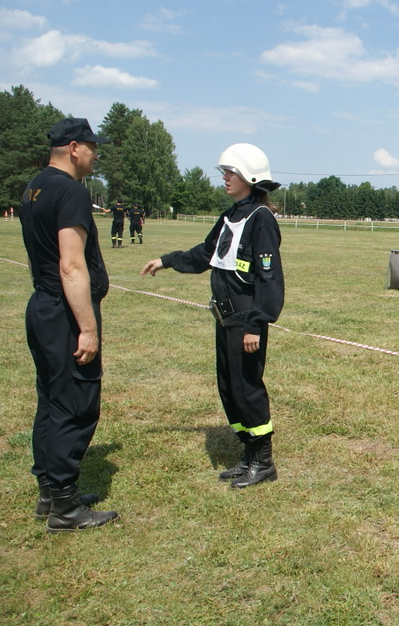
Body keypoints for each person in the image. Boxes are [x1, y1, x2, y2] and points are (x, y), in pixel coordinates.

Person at [141, 143, 284, 489]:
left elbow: (269, 279)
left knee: (247, 388)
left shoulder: (260, 219)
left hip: (246, 321)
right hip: (225, 319)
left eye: (231, 172)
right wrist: (167, 260)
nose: (225, 178)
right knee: (229, 388)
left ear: (250, 177)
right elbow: (205, 253)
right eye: (225, 172)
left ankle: (263, 461)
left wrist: (256, 324)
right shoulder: (231, 215)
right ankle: (248, 453)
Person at [20, 117, 118, 532]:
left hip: (42, 306)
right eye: (93, 148)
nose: (96, 155)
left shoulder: (35, 187)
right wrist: (87, 328)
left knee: (51, 399)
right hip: (64, 311)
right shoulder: (71, 192)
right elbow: (71, 265)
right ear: (74, 148)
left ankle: (50, 491)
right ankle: (64, 505)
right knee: (75, 404)